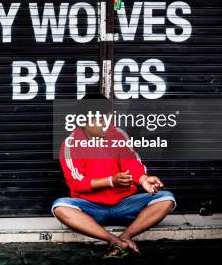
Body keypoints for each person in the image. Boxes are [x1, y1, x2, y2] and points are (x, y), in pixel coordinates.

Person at [52, 94, 176, 258]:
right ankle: (112, 239)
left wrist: (144, 180)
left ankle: (126, 236)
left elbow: (132, 164)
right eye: (101, 121)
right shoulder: (71, 143)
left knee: (166, 198)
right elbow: (76, 183)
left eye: (108, 119)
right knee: (60, 207)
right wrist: (111, 181)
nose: (106, 125)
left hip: (124, 205)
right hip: (91, 209)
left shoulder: (118, 135)